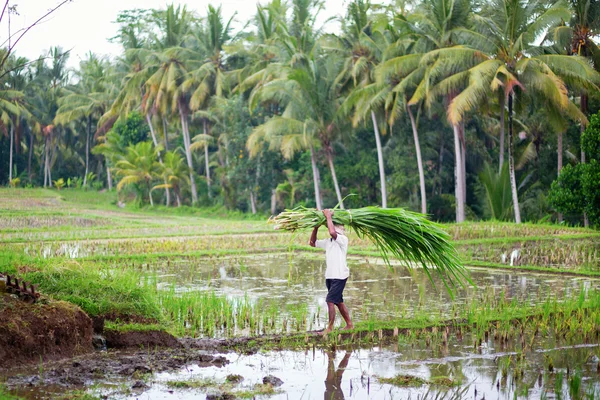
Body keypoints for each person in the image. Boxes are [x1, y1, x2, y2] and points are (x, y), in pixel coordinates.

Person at [309, 209, 353, 335]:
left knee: (329, 300)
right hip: (330, 276)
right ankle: (349, 325)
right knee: (338, 302)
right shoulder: (329, 242)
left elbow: (333, 232)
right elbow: (312, 243)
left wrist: (328, 216)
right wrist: (316, 227)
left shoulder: (343, 239)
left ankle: (330, 328)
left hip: (340, 276)